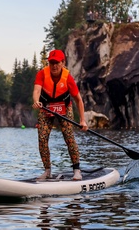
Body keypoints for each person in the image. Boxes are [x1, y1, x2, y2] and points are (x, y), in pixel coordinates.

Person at [32, 49, 88, 180]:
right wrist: (36, 101)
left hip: (64, 108)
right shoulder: (42, 74)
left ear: (63, 63)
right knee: (42, 139)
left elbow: (78, 100)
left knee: (69, 137)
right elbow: (36, 91)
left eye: (57, 62)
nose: (54, 66)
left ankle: (77, 170)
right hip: (46, 108)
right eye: (51, 63)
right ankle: (47, 171)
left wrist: (83, 120)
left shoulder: (68, 78)